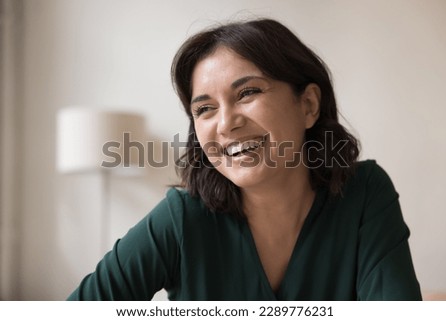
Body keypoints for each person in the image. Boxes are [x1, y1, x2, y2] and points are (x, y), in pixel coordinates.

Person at [67, 18, 422, 300]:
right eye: (205, 108)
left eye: (248, 92)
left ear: (308, 105)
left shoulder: (365, 195)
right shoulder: (181, 219)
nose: (226, 123)